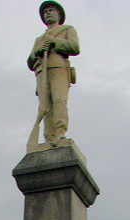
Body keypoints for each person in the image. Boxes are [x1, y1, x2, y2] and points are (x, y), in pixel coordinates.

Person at [27, 1, 80, 146]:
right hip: (41, 71)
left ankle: (60, 133)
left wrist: (54, 42)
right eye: (45, 12)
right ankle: (49, 138)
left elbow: (75, 47)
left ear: (58, 14)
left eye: (51, 10)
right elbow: (30, 62)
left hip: (58, 67)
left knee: (59, 100)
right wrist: (36, 53)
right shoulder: (39, 39)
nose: (48, 13)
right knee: (45, 107)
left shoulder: (67, 29)